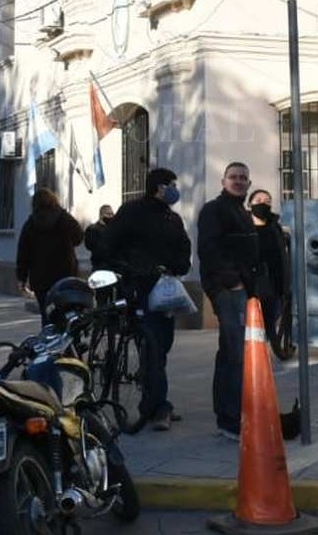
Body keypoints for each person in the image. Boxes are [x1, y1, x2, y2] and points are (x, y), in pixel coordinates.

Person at [103, 168, 192, 433]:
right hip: (139, 289)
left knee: (161, 346)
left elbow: (183, 247)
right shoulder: (132, 212)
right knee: (151, 347)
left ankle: (154, 399)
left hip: (165, 292)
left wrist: (178, 265)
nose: (175, 189)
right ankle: (157, 408)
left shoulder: (171, 218)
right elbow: (109, 243)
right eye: (172, 185)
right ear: (160, 187)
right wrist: (128, 269)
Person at [197, 161, 260, 442]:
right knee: (235, 355)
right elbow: (208, 249)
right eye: (233, 177)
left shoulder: (242, 212)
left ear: (248, 183)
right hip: (228, 290)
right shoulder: (214, 210)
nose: (238, 181)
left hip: (242, 289)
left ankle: (233, 415)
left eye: (243, 178)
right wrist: (230, 281)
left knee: (234, 353)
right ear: (223, 181)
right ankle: (230, 419)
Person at [15, 187, 84, 323]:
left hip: (41, 280)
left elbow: (23, 254)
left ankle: (48, 339)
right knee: (68, 312)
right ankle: (69, 340)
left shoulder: (30, 224)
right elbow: (79, 237)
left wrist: (21, 278)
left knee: (46, 314)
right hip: (65, 275)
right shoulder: (64, 218)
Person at [247, 188, 295, 360]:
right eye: (258, 200)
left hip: (274, 282)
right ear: (249, 203)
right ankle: (252, 353)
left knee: (271, 318)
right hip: (251, 282)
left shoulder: (275, 227)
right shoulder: (244, 226)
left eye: (267, 201)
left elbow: (282, 255)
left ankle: (262, 351)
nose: (262, 203)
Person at [83, 204, 116, 272]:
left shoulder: (113, 228)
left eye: (112, 214)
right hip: (99, 265)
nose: (111, 216)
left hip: (113, 265)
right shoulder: (93, 229)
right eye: (108, 214)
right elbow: (90, 246)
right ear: (101, 215)